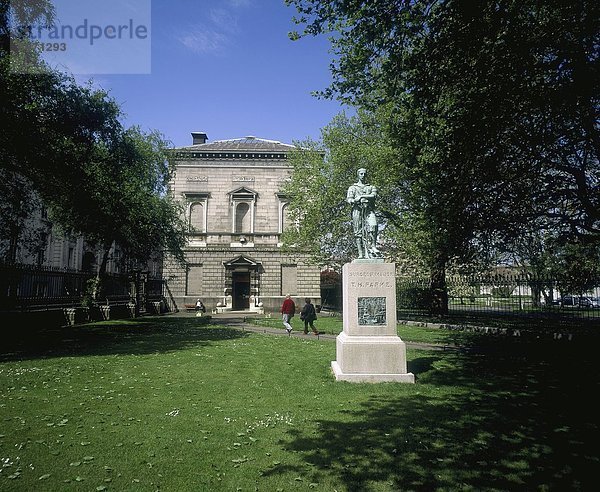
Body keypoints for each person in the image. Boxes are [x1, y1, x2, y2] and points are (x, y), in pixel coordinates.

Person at [346, 167, 381, 259]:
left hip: (369, 210)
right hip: (357, 209)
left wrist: (361, 196)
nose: (363, 175)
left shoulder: (371, 187)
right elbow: (349, 199)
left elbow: (373, 196)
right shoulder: (353, 187)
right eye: (361, 173)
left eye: (364, 173)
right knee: (358, 232)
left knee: (374, 225)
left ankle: (373, 246)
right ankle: (361, 253)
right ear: (358, 175)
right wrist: (354, 201)